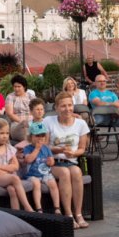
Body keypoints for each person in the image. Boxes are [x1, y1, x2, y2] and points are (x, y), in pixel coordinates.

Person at [44, 94, 90, 228]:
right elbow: (44, 147)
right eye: (63, 106)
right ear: (57, 108)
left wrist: (74, 153)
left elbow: (82, 148)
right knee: (64, 172)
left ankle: (79, 213)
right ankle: (68, 215)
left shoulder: (81, 123)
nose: (67, 108)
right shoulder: (48, 121)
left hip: (71, 161)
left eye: (70, 105)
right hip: (52, 161)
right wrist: (59, 150)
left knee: (76, 171)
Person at [0, 119, 32, 211]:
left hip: (5, 177)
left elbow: (15, 166)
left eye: (7, 133)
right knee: (15, 178)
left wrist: (0, 167)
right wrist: (8, 171)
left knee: (12, 190)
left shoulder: (10, 148)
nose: (5, 136)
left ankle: (16, 214)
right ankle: (28, 208)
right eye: (1, 133)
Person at [19, 121, 58, 214]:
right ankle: (39, 208)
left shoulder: (46, 148)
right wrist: (37, 149)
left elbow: (52, 161)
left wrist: (51, 162)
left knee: (53, 184)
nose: (40, 138)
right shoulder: (27, 148)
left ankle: (57, 208)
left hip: (45, 173)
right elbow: (28, 160)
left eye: (42, 136)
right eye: (37, 136)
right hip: (32, 175)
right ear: (30, 137)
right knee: (36, 183)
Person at [5, 75, 34, 142]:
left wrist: (30, 121)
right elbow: (10, 114)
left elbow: (35, 109)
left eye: (19, 86)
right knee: (28, 131)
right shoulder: (10, 97)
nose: (16, 89)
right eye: (15, 87)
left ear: (24, 87)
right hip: (17, 124)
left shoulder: (30, 96)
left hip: (31, 123)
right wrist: (23, 122)